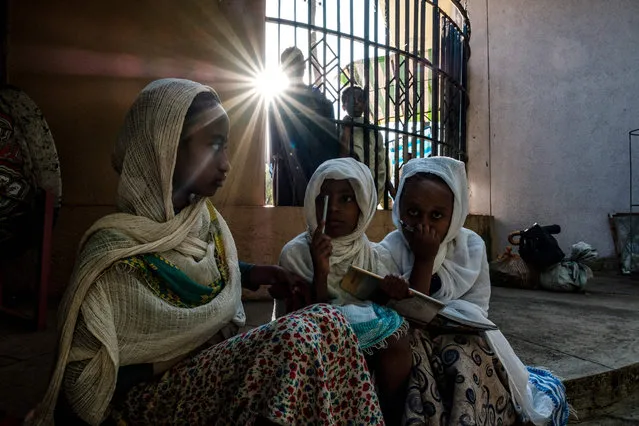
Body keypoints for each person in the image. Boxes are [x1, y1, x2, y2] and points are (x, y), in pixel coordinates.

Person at [27, 79, 384, 425]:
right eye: (214, 145)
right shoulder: (111, 255)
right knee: (296, 338)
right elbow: (83, 386)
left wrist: (257, 272)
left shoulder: (204, 222)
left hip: (207, 376)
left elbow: (194, 261)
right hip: (150, 404)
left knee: (328, 323)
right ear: (164, 146)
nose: (226, 162)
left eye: (226, 146)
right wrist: (184, 351)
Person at [379, 156, 570, 425]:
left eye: (436, 215)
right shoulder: (391, 247)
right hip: (411, 336)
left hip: (460, 335)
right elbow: (404, 314)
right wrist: (422, 263)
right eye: (413, 213)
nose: (424, 225)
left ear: (455, 214)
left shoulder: (470, 247)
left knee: (464, 361)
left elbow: (477, 310)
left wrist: (426, 263)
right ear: (399, 209)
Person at [276, 157, 412, 424]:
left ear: (364, 204)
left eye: (347, 199)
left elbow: (378, 308)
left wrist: (388, 291)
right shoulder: (296, 254)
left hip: (363, 344)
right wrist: (321, 271)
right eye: (323, 199)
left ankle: (389, 415)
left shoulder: (372, 254)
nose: (334, 208)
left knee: (398, 337)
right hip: (311, 344)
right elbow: (303, 322)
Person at [269, 47, 339, 206]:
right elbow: (272, 142)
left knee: (317, 209)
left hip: (316, 165)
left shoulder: (320, 100)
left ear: (304, 65)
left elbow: (331, 137)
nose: (294, 66)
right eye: (290, 63)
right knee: (288, 209)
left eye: (297, 62)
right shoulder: (277, 100)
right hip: (288, 167)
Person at [339, 85, 394, 205]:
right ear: (344, 106)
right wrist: (347, 130)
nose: (357, 103)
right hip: (350, 184)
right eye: (352, 99)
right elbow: (341, 158)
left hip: (373, 185)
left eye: (360, 99)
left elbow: (381, 160)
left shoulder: (374, 131)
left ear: (365, 104)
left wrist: (389, 186)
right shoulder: (340, 128)